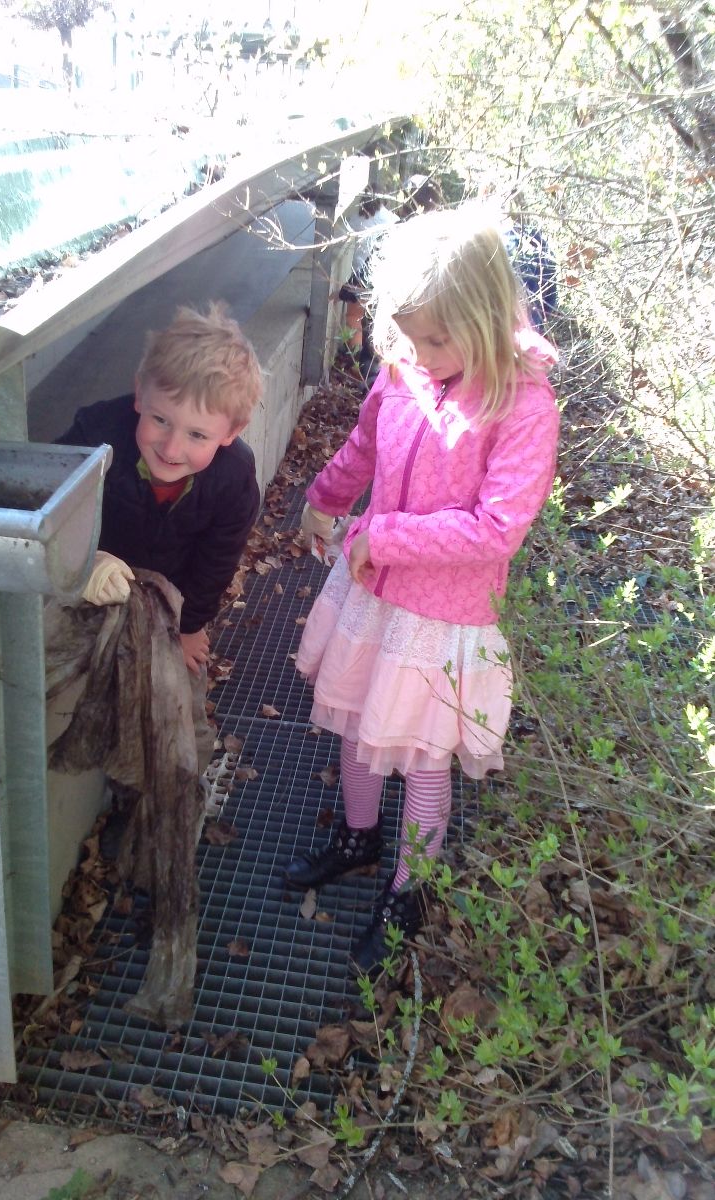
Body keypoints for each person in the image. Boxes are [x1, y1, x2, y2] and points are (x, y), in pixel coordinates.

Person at [286, 206, 560, 972]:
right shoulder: (406, 367)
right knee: (356, 720)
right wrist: (326, 498)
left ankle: (410, 886)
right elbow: (366, 442)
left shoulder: (522, 405)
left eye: (437, 338)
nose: (419, 352)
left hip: (443, 617)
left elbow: (496, 529)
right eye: (407, 334)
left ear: (484, 318)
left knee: (424, 754)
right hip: (374, 590)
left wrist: (386, 537)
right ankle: (358, 834)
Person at [57, 302, 262, 779]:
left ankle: (164, 787)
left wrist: (188, 625)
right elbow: (49, 505)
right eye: (161, 420)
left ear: (231, 432)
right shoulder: (94, 436)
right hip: (91, 578)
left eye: (197, 434)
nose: (172, 448)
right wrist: (84, 559)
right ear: (138, 396)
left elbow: (216, 561)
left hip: (168, 596)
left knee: (176, 706)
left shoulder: (233, 478)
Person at [339, 174, 445, 384]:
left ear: (404, 200)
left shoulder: (395, 233)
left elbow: (369, 272)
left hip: (389, 335)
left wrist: (348, 289)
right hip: (428, 347)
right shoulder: (445, 239)